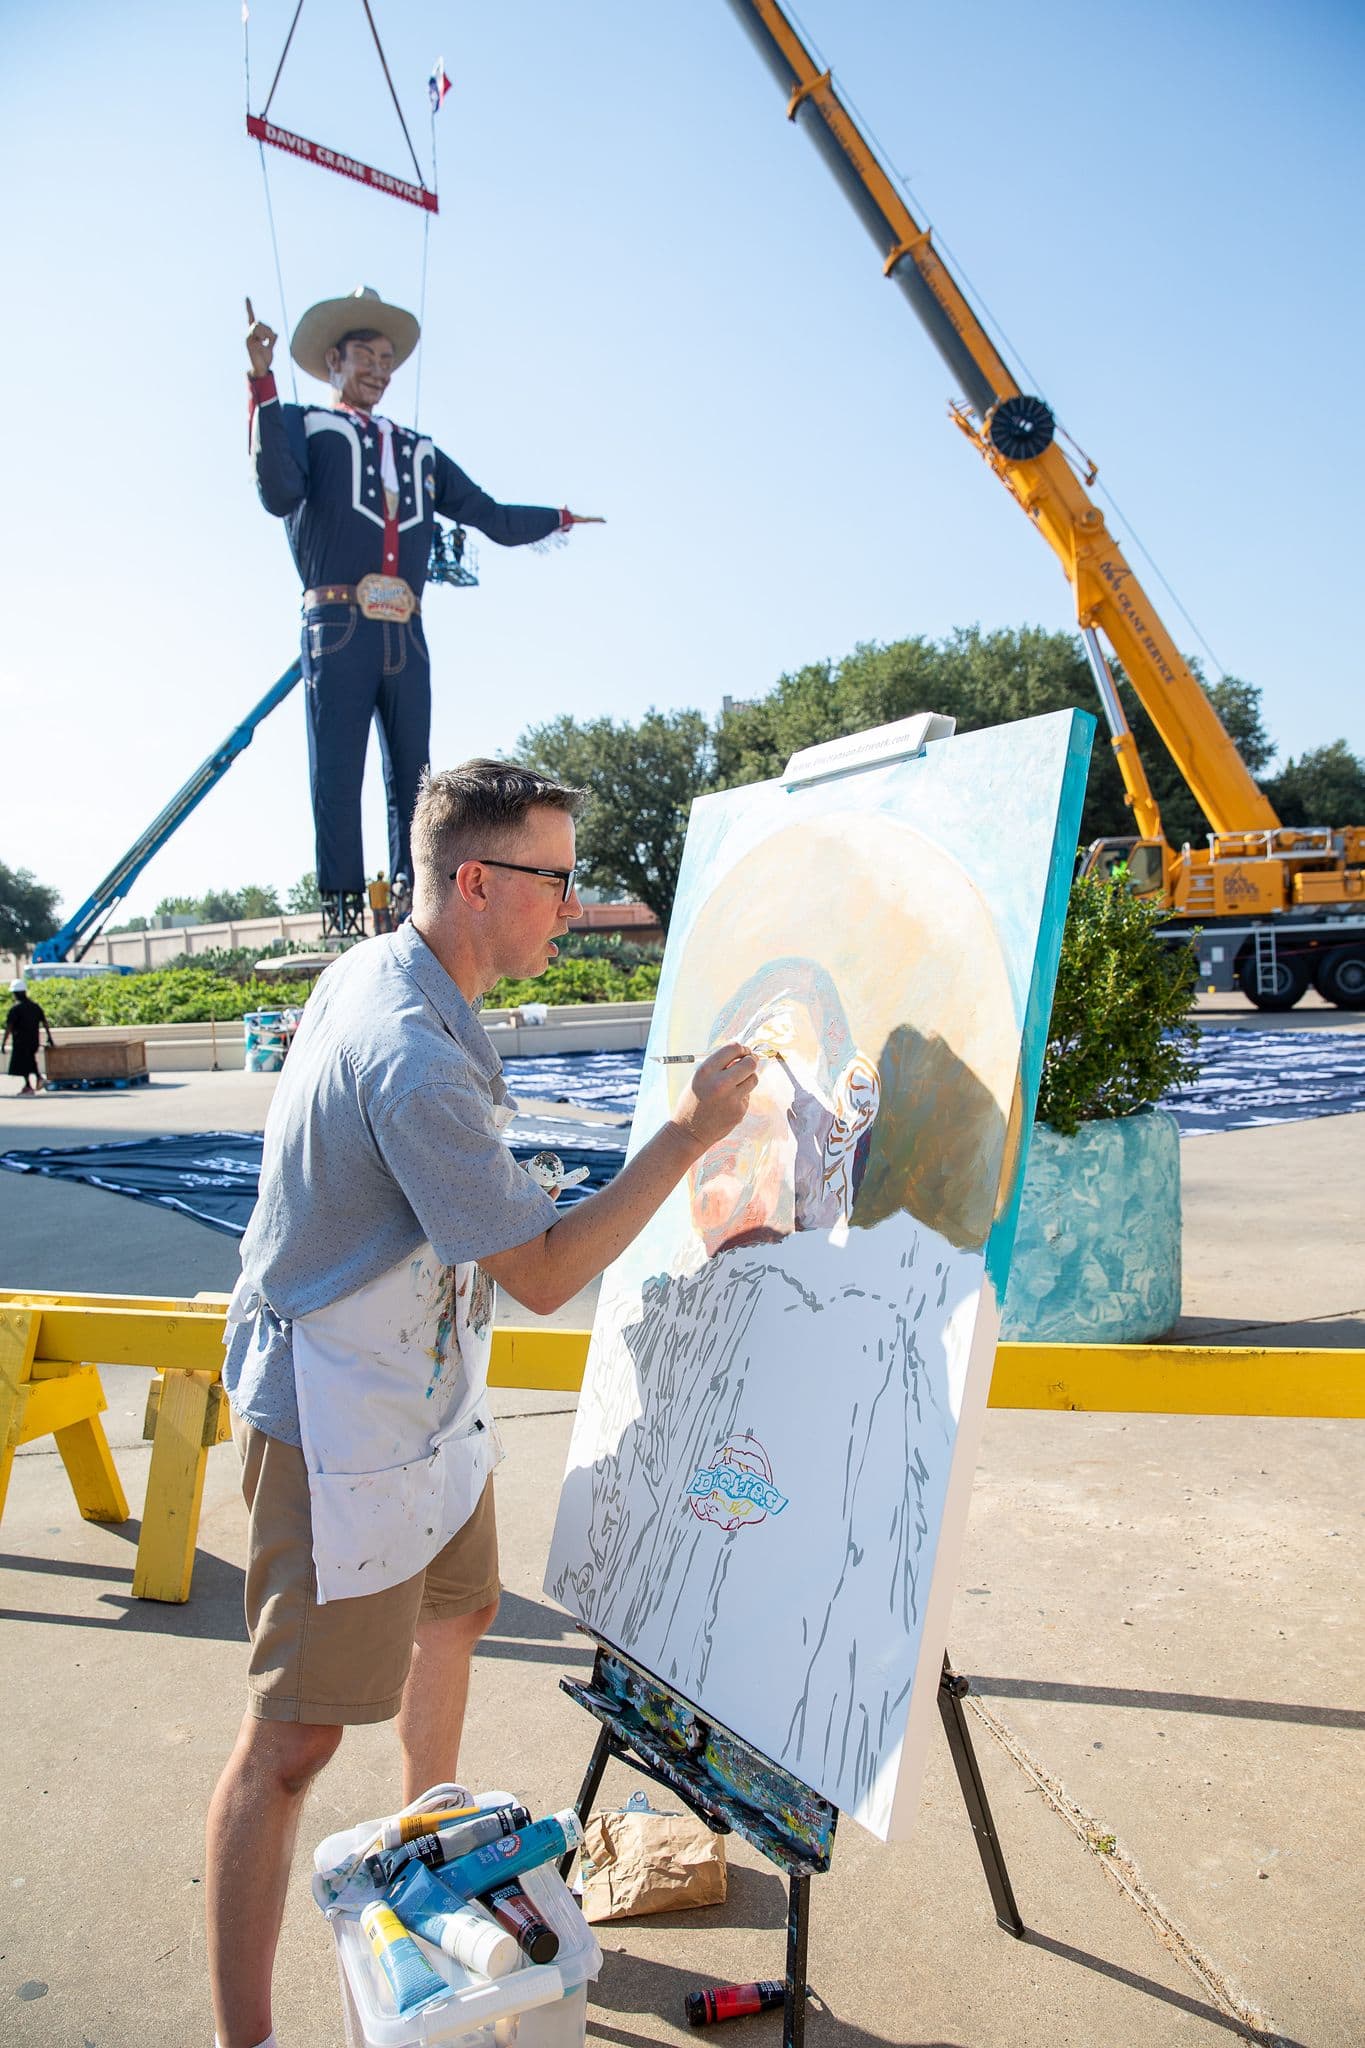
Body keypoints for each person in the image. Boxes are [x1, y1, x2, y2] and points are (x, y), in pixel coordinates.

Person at [205, 758, 758, 2048]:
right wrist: (681, 1140)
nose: (574, 902)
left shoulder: (412, 972)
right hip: (337, 1419)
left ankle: (430, 1879)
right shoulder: (409, 1053)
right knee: (288, 1748)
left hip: (427, 1393)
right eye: (557, 877)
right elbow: (552, 1274)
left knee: (454, 1618)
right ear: (475, 880)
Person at [244, 285, 602, 935]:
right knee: (336, 766)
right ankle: (343, 906)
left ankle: (413, 894)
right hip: (338, 621)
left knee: (414, 774)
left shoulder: (418, 451)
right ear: (332, 361)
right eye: (364, 356)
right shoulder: (302, 424)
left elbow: (487, 514)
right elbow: (277, 490)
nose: (379, 369)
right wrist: (262, 382)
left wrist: (558, 517)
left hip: (404, 626)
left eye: (387, 359)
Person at [4, 979, 55, 1095]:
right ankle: (37, 1080)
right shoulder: (35, 1007)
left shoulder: (15, 1009)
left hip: (20, 1041)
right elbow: (45, 1022)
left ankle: (29, 1086)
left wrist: (3, 1043)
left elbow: (9, 1027)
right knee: (30, 1061)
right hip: (33, 1041)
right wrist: (49, 1037)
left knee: (23, 1064)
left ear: (16, 994)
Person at [366, 868, 392, 935]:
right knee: (387, 921)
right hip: (383, 906)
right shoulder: (384, 884)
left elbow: (369, 895)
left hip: (374, 906)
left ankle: (377, 934)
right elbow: (390, 891)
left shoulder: (371, 885)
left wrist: (370, 905)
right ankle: (388, 933)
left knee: (376, 922)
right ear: (382, 877)